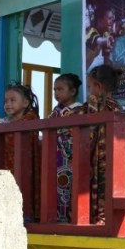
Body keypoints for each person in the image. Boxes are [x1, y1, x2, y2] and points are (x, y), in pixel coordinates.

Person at [0, 82, 41, 221]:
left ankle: (27, 217)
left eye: (13, 100)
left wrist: (2, 127)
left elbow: (18, 130)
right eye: (6, 101)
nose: (8, 104)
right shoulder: (8, 121)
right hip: (9, 163)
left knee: (25, 188)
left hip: (25, 162)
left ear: (25, 103)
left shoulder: (31, 117)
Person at [85, 64, 123, 224]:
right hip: (115, 156)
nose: (89, 91)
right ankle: (107, 217)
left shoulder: (94, 104)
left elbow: (89, 129)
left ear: (98, 86)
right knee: (109, 185)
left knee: (96, 184)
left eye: (89, 87)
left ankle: (97, 217)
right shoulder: (116, 106)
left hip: (98, 154)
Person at [47, 73, 84, 223]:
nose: (56, 93)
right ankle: (57, 217)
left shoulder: (79, 110)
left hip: (71, 157)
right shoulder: (55, 111)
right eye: (55, 90)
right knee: (55, 187)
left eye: (60, 89)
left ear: (73, 91)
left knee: (70, 187)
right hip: (56, 157)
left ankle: (70, 218)